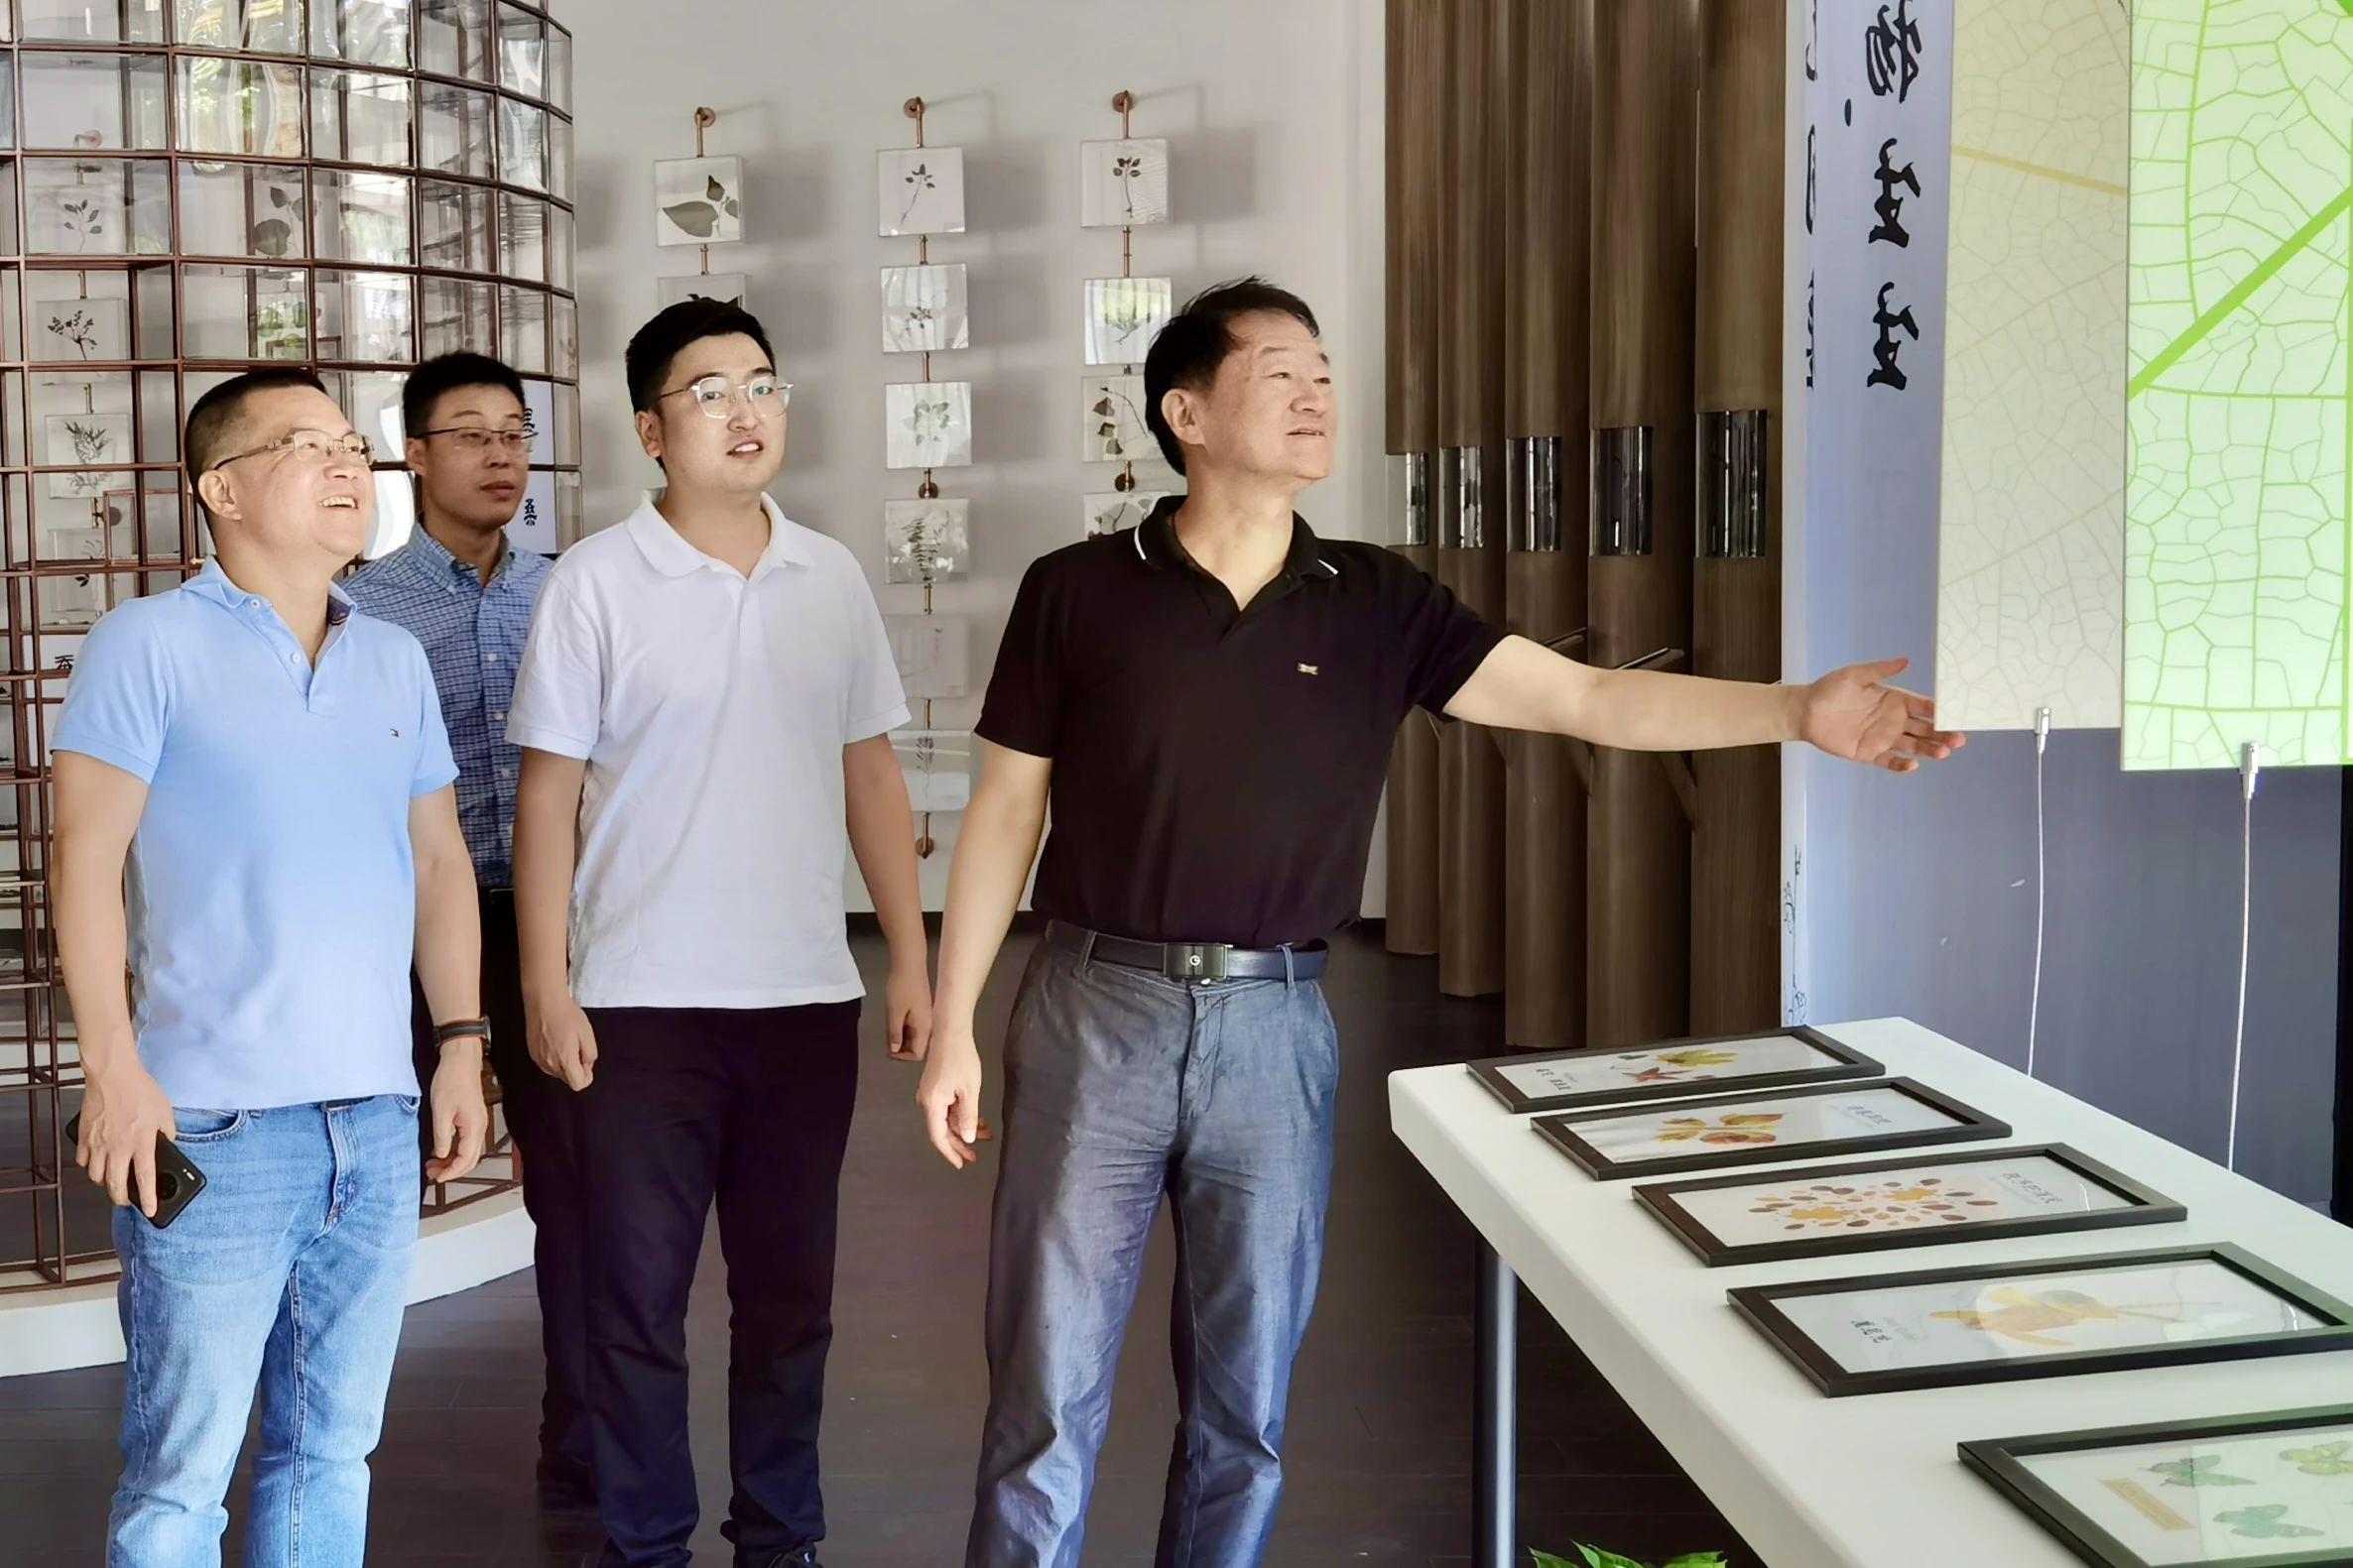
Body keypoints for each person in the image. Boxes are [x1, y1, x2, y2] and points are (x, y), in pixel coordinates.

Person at [915, 278, 1965, 1568]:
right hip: (1095, 1012)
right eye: (1278, 371)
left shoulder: (1377, 601)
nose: (1315, 394)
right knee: (1043, 1402)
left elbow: (1589, 701)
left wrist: (1794, 711)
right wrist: (955, 1025)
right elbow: (1005, 812)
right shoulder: (1078, 589)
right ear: (1185, 413)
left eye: (1322, 371)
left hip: (1275, 1030)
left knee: (1246, 1413)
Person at [508, 299, 933, 1568]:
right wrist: (545, 986)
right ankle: (646, 1542)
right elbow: (546, 798)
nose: (745, 411)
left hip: (803, 999)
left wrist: (910, 958)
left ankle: (780, 1537)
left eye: (761, 384)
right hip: (637, 1004)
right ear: (650, 430)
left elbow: (870, 775)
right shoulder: (593, 582)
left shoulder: (830, 575)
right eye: (708, 392)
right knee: (634, 1301)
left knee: (790, 1299)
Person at [53, 367, 490, 1568]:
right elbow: (83, 861)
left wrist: (460, 1045)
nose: (350, 464)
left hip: (376, 1120)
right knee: (180, 1481)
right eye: (308, 445)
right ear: (223, 489)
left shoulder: (392, 657)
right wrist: (113, 1071)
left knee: (331, 1455)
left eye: (352, 443)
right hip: (212, 1124)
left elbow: (439, 864)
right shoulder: (146, 643)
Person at [342, 351, 589, 1505]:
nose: (499, 455)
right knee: (375, 1179)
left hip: (552, 927)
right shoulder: (361, 606)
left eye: (513, 434)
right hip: (408, 931)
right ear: (415, 455)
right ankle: (329, 1443)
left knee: (579, 1184)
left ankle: (582, 1442)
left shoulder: (570, 592)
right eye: (471, 434)